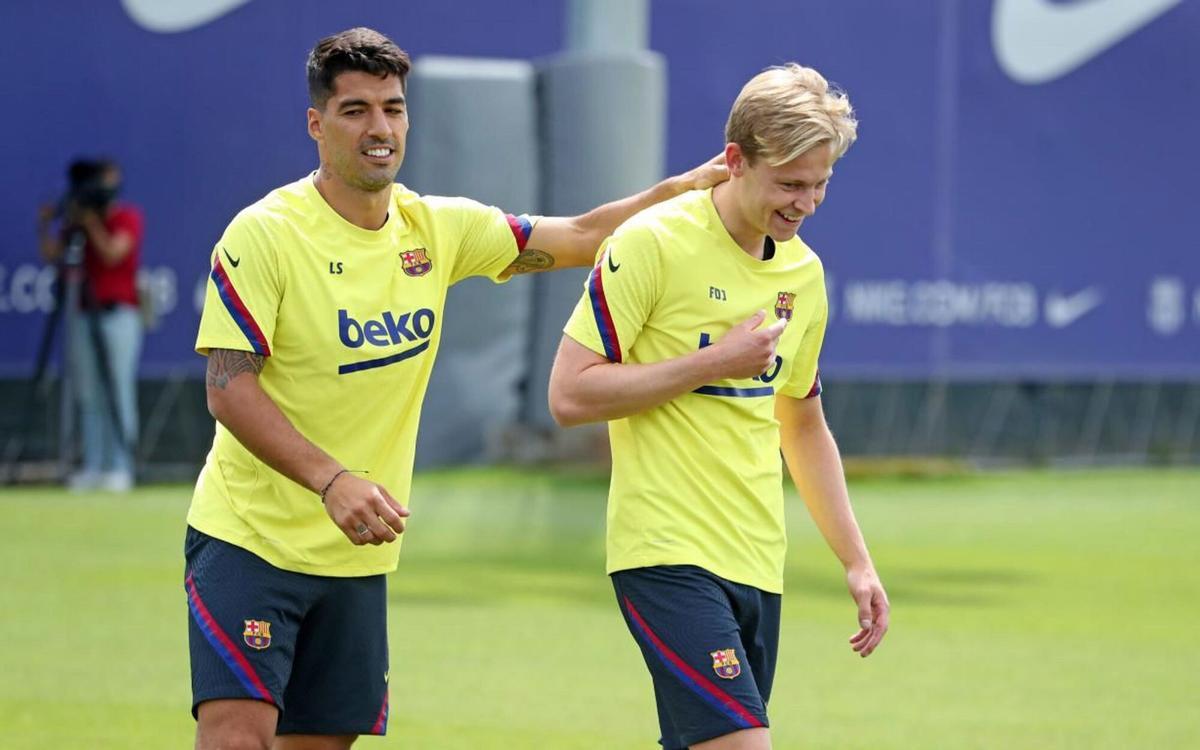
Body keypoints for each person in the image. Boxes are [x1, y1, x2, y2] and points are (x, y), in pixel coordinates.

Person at [185, 26, 727, 750]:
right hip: (250, 540)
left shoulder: (436, 228)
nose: (379, 129)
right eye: (355, 110)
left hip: (358, 552)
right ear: (316, 124)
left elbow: (580, 236)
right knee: (236, 739)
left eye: (392, 108)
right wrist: (332, 480)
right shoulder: (263, 235)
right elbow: (228, 387)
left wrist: (683, 192)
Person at [548, 64, 890, 750]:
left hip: (758, 562)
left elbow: (802, 424)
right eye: (789, 184)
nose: (806, 203)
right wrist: (713, 362)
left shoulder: (803, 274)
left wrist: (856, 560)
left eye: (820, 184)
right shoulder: (651, 241)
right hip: (665, 552)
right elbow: (570, 394)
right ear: (735, 160)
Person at [38, 157, 144, 493]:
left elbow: (113, 253)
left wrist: (91, 223)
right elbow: (53, 254)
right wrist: (46, 225)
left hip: (118, 315)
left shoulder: (127, 218)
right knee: (89, 392)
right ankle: (95, 465)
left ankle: (121, 466)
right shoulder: (78, 222)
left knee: (117, 387)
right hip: (84, 314)